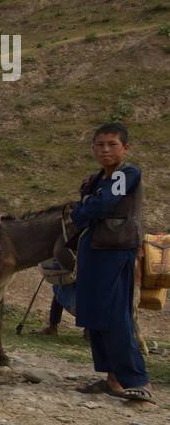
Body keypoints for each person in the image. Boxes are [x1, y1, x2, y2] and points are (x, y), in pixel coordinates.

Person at [72, 123, 151, 402]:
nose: (105, 149)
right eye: (100, 144)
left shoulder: (127, 174)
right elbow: (83, 209)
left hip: (117, 250)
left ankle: (136, 378)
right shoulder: (95, 179)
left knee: (116, 314)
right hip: (93, 248)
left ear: (125, 148)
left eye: (112, 144)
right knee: (94, 313)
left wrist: (86, 207)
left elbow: (99, 206)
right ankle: (112, 377)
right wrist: (86, 206)